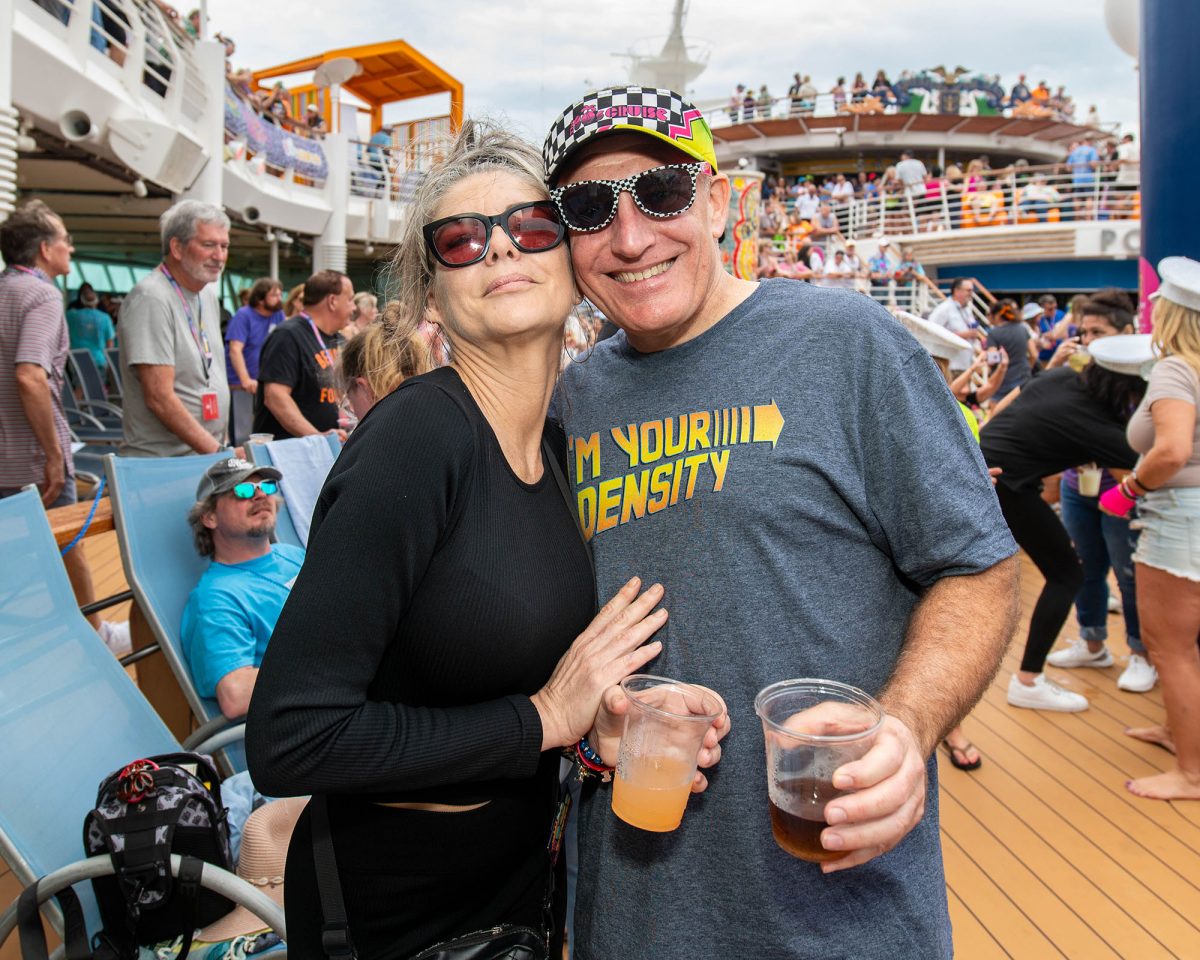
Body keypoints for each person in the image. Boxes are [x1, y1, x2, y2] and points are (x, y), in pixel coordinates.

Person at [543, 84, 1018, 960]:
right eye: (590, 208)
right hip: (635, 920)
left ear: (718, 202)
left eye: (661, 193)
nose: (631, 238)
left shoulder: (847, 343)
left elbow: (978, 567)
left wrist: (906, 728)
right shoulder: (572, 402)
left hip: (844, 918)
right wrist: (595, 740)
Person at [245, 121, 728, 960]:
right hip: (400, 906)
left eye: (532, 227)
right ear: (433, 297)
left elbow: (491, 678)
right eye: (462, 241)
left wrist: (592, 735)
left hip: (517, 880)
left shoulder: (559, 448)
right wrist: (542, 718)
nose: (501, 248)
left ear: (572, 265)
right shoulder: (417, 441)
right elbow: (290, 738)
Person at [980, 348, 1145, 712]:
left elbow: (1001, 412)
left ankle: (1072, 658)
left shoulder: (1060, 376)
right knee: (1066, 575)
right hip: (1005, 486)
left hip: (982, 468)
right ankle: (1028, 681)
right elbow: (1144, 474)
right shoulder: (1100, 427)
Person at [0, 200, 130, 655]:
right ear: (43, 249)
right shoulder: (42, 296)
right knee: (68, 541)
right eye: (65, 239)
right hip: (31, 456)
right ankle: (95, 633)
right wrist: (54, 454)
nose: (70, 248)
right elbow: (30, 375)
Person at [1106, 258, 1200, 799]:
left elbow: (1172, 450)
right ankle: (1177, 730)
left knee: (1170, 647)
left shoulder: (1176, 370)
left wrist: (1130, 488)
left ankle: (1192, 772)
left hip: (1179, 519)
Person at [1041, 290, 1154, 692]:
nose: (1088, 340)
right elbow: (1046, 408)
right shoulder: (1078, 372)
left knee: (1129, 574)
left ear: (1127, 332)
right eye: (1084, 332)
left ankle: (1141, 653)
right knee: (1084, 569)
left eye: (1098, 332)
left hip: (1124, 489)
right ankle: (1092, 643)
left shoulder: (1143, 379)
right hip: (1078, 486)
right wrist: (1054, 365)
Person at [181, 457, 296, 720]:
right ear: (210, 517)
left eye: (266, 487)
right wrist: (331, 656)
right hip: (308, 715)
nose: (260, 495)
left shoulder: (291, 554)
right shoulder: (217, 598)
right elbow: (235, 694)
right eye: (242, 490)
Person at [118, 200, 232, 457]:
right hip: (164, 462)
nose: (219, 256)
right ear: (177, 248)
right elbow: (159, 397)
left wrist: (221, 445)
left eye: (224, 246)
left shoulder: (206, 296)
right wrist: (218, 453)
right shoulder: (151, 298)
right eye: (208, 245)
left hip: (204, 455)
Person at [252, 270, 353, 441]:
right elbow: (275, 396)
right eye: (350, 299)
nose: (354, 307)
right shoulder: (287, 336)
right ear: (332, 301)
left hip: (326, 445)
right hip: (290, 450)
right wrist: (317, 438)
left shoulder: (339, 340)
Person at [335, 303, 432, 421]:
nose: (353, 411)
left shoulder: (377, 430)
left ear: (364, 389)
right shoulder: (435, 410)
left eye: (350, 399)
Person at [225, 278, 284, 396]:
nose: (279, 299)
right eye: (274, 295)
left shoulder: (278, 314)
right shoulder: (243, 315)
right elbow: (235, 349)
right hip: (241, 385)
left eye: (280, 295)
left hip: (265, 383)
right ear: (260, 300)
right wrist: (245, 380)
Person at [984, 299, 1037, 401]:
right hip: (1023, 379)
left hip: (1002, 383)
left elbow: (992, 359)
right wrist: (1027, 368)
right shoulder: (1023, 329)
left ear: (998, 315)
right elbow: (1034, 354)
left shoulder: (994, 333)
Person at [66, 285, 116, 372]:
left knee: (78, 380)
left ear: (81, 301)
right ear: (97, 301)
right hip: (99, 360)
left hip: (77, 360)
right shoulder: (105, 318)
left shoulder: (71, 316)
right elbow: (110, 344)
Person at [927, 277, 985, 348]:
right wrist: (960, 335)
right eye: (968, 290)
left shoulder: (966, 310)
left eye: (972, 290)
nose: (971, 294)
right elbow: (931, 331)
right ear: (957, 291)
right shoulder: (944, 308)